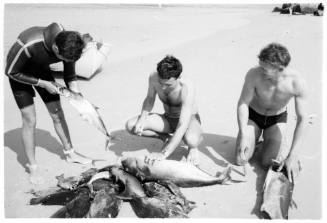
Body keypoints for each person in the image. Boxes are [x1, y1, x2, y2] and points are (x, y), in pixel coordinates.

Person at [5, 22, 94, 184]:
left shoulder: (70, 45)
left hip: (42, 70)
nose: (67, 62)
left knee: (57, 113)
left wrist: (80, 100)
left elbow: (69, 76)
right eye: (64, 59)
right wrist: (43, 83)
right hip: (20, 74)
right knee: (29, 119)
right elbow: (10, 72)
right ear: (56, 49)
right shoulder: (28, 44)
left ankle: (71, 153)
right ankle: (33, 167)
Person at [235, 43, 307, 183]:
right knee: (239, 160)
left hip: (276, 119)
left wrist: (293, 156)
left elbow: (302, 119)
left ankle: (267, 142)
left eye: (264, 68)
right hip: (253, 116)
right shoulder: (253, 74)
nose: (260, 70)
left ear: (279, 69)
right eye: (260, 65)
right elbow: (243, 103)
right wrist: (243, 133)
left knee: (268, 163)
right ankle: (253, 137)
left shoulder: (297, 83)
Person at [125, 55, 203, 166]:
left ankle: (193, 148)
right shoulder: (153, 77)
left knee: (192, 140)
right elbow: (150, 98)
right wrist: (142, 118)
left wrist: (163, 154)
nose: (163, 88)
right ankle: (166, 138)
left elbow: (182, 124)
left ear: (178, 77)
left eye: (168, 85)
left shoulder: (186, 86)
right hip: (167, 118)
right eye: (161, 84)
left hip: (188, 121)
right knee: (131, 125)